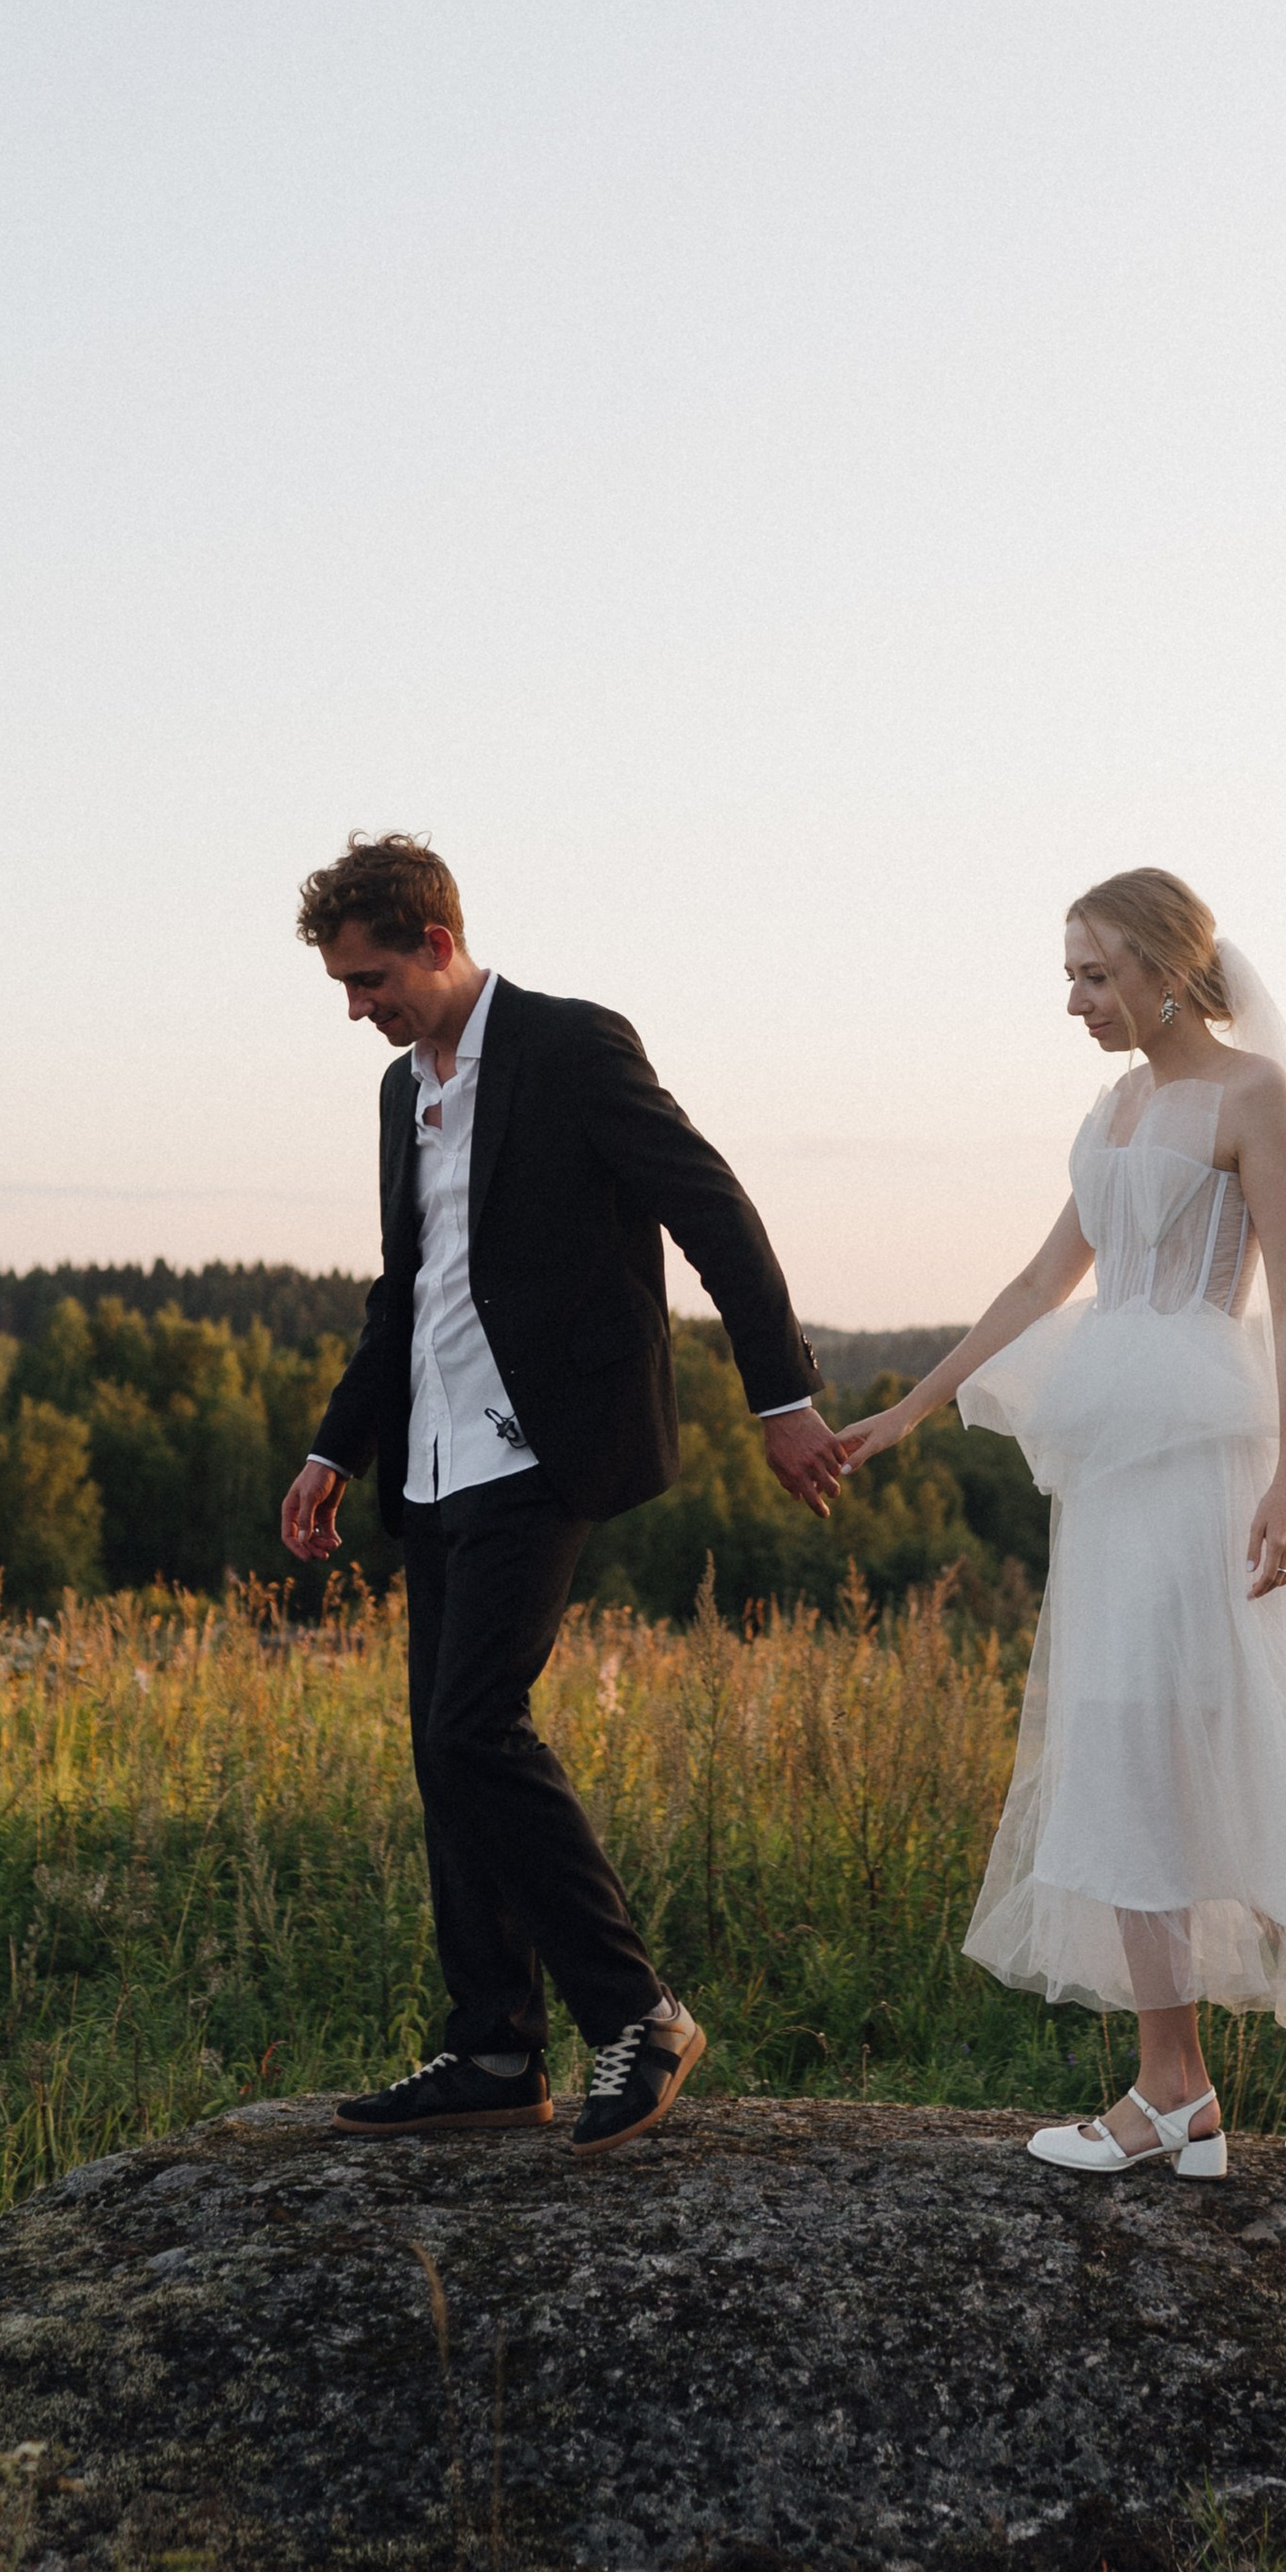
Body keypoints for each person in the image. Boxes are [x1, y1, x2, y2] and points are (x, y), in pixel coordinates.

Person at [838, 870, 1286, 2178]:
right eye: (1069, 977)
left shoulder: (1251, 1095)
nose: (1077, 1002)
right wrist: (907, 1411)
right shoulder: (1114, 1107)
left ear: (1164, 967)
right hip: (1114, 1462)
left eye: (1095, 974)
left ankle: (1258, 2060)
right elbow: (1048, 1277)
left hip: (1208, 1454)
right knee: (1126, 1736)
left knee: (1211, 1735)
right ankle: (1229, 2072)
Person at [279, 833, 847, 2154]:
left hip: (550, 1443)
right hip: (431, 1458)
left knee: (475, 1727)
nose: (359, 1012)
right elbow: (405, 1293)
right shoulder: (397, 1096)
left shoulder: (574, 1046)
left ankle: (637, 2015)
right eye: (343, 991)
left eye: (371, 981)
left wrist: (781, 1398)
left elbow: (716, 1213)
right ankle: (492, 2042)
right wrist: (334, 1449)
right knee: (442, 1745)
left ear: (435, 941)